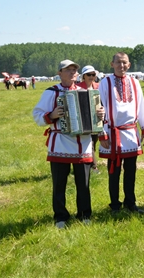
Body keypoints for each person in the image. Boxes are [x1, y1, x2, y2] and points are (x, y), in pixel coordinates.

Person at [32, 59, 105, 228]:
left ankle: (84, 214)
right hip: (60, 143)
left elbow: (99, 114)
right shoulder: (51, 93)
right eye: (68, 70)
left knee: (84, 183)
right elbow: (37, 114)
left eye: (74, 70)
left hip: (84, 143)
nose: (72, 72)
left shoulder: (87, 92)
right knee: (59, 183)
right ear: (59, 73)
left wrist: (100, 113)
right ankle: (60, 217)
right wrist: (51, 115)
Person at [98, 52, 144, 214]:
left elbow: (141, 106)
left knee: (131, 170)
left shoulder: (135, 82)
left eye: (124, 63)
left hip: (130, 132)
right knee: (114, 171)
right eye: (118, 62)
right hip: (112, 133)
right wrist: (102, 133)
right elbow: (99, 108)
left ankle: (130, 202)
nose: (121, 66)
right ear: (112, 64)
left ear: (129, 65)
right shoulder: (105, 83)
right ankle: (114, 204)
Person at [77, 65, 101, 174]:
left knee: (94, 141)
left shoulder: (99, 86)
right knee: (89, 142)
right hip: (84, 120)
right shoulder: (78, 87)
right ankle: (93, 166)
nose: (91, 77)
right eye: (89, 75)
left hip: (97, 119)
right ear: (83, 76)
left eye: (93, 74)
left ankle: (89, 160)